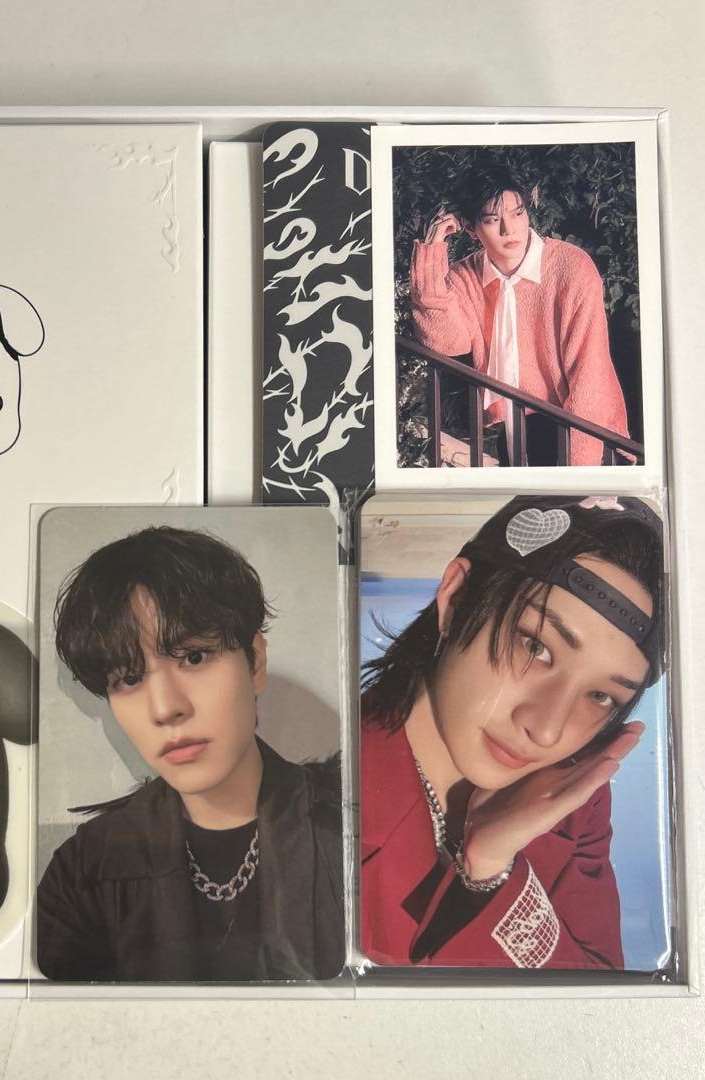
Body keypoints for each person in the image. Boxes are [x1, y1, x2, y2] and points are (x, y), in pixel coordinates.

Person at [360, 495, 664, 968]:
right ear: (456, 599)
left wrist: (490, 871)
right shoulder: (319, 786)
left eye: (601, 696)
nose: (546, 730)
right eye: (536, 646)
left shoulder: (569, 798)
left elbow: (600, 993)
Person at [35, 526, 344, 982]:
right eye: (128, 678)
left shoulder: (352, 836)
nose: (165, 708)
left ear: (255, 662)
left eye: (194, 658)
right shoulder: (84, 872)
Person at [409, 160, 631, 467]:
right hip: (517, 431)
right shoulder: (466, 276)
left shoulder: (571, 267)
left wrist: (580, 473)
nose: (509, 229)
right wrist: (432, 248)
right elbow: (446, 341)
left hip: (585, 431)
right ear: (471, 229)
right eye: (492, 220)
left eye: (517, 213)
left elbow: (589, 375)